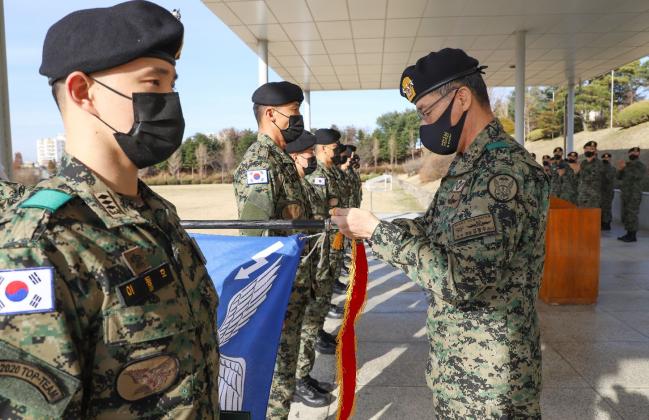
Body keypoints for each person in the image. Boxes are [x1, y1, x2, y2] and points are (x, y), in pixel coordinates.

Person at [0, 2, 221, 418]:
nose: (169, 101)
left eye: (172, 85)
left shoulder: (156, 215)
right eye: (153, 83)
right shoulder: (40, 245)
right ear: (83, 92)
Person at [330, 48, 549, 417]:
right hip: (461, 372)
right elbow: (432, 230)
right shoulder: (470, 165)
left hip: (491, 388)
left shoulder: (502, 175)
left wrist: (378, 233)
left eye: (427, 111)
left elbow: (461, 280)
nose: (425, 122)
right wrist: (368, 229)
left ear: (462, 98)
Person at [232, 81, 312, 419]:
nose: (298, 120)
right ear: (270, 114)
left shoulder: (280, 160)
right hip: (274, 292)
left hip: (291, 287)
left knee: (285, 372)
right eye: (293, 113)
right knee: (275, 376)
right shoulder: (261, 163)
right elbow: (256, 237)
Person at [284, 130, 334, 407]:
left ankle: (304, 374)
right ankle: (298, 381)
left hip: (312, 268)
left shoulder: (304, 187)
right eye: (309, 155)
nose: (313, 158)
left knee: (308, 326)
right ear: (295, 157)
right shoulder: (291, 188)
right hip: (297, 273)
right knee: (299, 330)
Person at [303, 128, 344, 356]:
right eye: (335, 147)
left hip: (333, 240)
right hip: (321, 243)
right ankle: (315, 335)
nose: (338, 151)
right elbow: (321, 210)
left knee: (326, 288)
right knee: (318, 293)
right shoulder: (317, 174)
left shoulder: (329, 172)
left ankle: (319, 332)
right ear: (324, 148)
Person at [617, 147, 646, 242]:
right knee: (626, 214)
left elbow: (636, 176)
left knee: (632, 214)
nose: (635, 153)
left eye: (637, 152)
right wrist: (620, 169)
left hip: (634, 194)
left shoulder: (640, 165)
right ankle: (628, 233)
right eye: (633, 152)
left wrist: (625, 168)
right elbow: (618, 177)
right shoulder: (627, 165)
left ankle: (632, 235)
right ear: (629, 154)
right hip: (626, 194)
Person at [577, 140, 602, 208]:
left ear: (595, 151)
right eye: (586, 149)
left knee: (592, 217)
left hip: (592, 198)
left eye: (591, 149)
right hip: (582, 196)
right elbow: (579, 178)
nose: (588, 151)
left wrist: (579, 169)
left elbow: (592, 177)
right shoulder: (583, 163)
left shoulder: (599, 163)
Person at [600, 152, 617, 231]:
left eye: (607, 157)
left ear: (610, 159)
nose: (606, 159)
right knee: (600, 207)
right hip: (599, 191)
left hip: (608, 192)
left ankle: (606, 224)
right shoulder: (599, 167)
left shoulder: (612, 168)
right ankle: (601, 223)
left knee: (607, 208)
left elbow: (609, 178)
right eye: (604, 158)